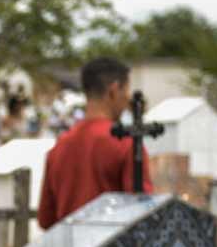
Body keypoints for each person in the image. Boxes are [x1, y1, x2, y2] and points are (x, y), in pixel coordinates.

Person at [38, 57, 154, 229]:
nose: (128, 100)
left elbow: (46, 219)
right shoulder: (127, 144)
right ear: (114, 90)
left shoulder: (59, 147)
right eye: (126, 91)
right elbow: (143, 215)